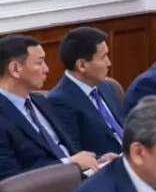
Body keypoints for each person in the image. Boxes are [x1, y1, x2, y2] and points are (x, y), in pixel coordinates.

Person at [0, 35, 99, 180]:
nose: (47, 69)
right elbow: (11, 183)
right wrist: (69, 164)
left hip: (80, 179)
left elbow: (68, 150)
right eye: (39, 63)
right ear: (15, 69)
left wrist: (98, 161)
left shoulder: (41, 101)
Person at [47, 27, 126, 157]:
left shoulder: (108, 87)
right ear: (82, 65)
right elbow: (75, 154)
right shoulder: (58, 101)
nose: (109, 63)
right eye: (103, 57)